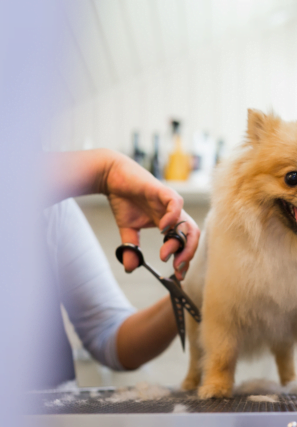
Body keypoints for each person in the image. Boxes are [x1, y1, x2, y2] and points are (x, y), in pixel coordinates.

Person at [38, 149, 200, 387]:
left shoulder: (53, 213)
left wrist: (192, 288)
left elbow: (108, 333)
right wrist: (106, 169)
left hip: (53, 417)